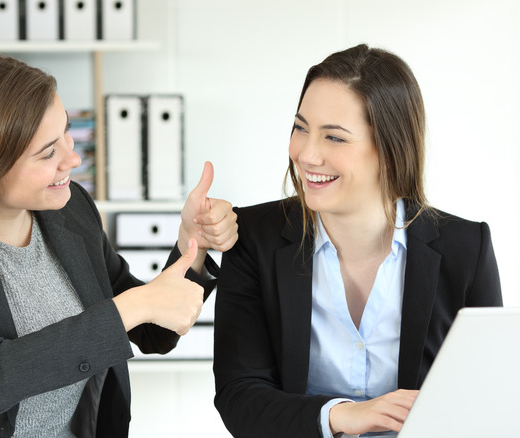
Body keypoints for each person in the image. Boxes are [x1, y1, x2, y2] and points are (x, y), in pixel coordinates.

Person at [0, 52, 238, 438]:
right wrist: (134, 306)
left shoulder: (70, 212)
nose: (73, 158)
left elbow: (152, 330)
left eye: (66, 131)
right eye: (48, 152)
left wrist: (193, 242)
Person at [213, 43, 502, 438]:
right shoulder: (253, 238)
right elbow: (239, 396)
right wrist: (340, 416)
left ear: (389, 149)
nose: (307, 154)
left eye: (334, 138)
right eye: (301, 128)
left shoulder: (466, 248)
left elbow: (488, 395)